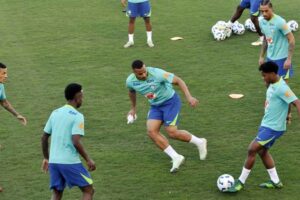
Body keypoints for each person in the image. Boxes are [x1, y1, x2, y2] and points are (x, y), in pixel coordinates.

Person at [226, 61, 300, 193]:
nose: (263, 78)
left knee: (252, 149)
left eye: (265, 75)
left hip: (273, 128)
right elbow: (286, 102)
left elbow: (296, 102)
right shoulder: (271, 83)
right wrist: (288, 114)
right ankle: (276, 181)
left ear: (272, 74)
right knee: (262, 151)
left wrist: (289, 115)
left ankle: (240, 182)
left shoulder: (282, 87)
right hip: (266, 124)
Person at [126, 60, 207, 173]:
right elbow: (131, 92)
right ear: (134, 72)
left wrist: (189, 97)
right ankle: (176, 157)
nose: (144, 75)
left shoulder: (158, 73)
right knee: (151, 131)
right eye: (140, 74)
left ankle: (199, 142)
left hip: (170, 102)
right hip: (155, 106)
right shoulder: (130, 81)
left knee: (171, 132)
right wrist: (133, 108)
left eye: (144, 72)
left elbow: (178, 80)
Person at [41, 83, 96, 200]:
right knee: (88, 190)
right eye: (82, 96)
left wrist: (47, 158)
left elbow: (44, 137)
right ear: (78, 97)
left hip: (54, 162)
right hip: (69, 162)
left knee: (57, 193)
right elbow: (75, 141)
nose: (83, 99)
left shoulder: (55, 113)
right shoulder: (77, 116)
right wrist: (88, 159)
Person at [258, 0, 295, 123]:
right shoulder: (262, 21)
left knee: (283, 88)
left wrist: (289, 59)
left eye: (266, 11)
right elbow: (265, 39)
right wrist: (261, 56)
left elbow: (291, 39)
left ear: (272, 9)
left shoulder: (280, 22)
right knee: (269, 86)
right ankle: (274, 110)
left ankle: (288, 115)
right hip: (270, 59)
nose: (264, 13)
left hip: (282, 60)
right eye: (261, 11)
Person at [0, 63, 27, 192]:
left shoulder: (0, 86)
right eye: (3, 73)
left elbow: (4, 102)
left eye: (6, 73)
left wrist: (17, 115)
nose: (6, 76)